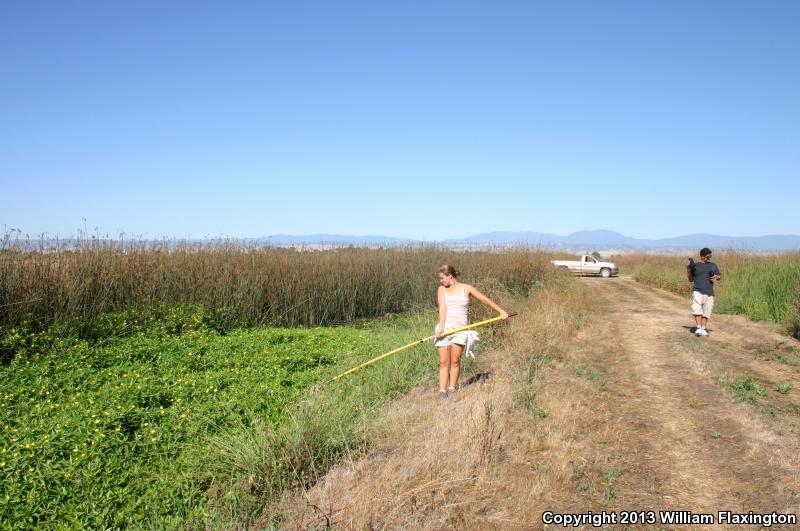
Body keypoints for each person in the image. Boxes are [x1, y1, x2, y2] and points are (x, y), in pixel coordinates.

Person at [434, 265, 509, 397]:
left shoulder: (466, 288)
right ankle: (442, 391)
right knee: (444, 362)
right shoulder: (441, 290)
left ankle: (451, 388)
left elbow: (484, 300)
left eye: (442, 278)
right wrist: (441, 328)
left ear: (450, 276)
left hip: (461, 330)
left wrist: (501, 311)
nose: (441, 281)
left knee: (455, 360)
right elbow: (442, 308)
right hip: (445, 328)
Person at [686, 248, 721, 336]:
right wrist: (688, 269)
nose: (709, 258)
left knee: (707, 311)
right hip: (697, 290)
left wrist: (716, 277)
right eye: (707, 257)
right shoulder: (695, 266)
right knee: (697, 308)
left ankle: (703, 328)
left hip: (709, 291)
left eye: (710, 256)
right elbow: (690, 279)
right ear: (701, 256)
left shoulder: (713, 265)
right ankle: (698, 327)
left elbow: (719, 276)